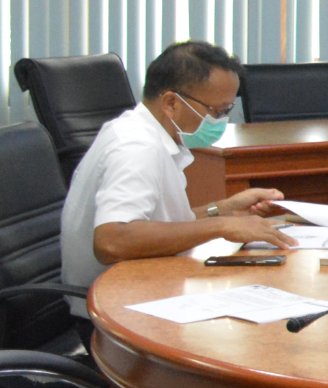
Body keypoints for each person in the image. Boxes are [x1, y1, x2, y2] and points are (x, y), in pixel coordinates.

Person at [60, 41, 286, 287]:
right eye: (217, 111)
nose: (221, 120)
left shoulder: (146, 133)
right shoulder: (136, 148)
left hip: (141, 282)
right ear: (171, 103)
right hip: (113, 298)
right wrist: (221, 226)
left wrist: (224, 208)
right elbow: (112, 241)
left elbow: (162, 225)